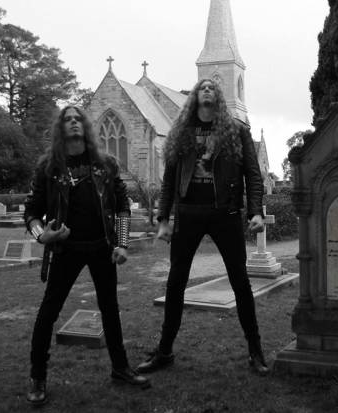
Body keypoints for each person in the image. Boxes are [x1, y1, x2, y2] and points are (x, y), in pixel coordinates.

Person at [136, 78, 269, 376]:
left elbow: (253, 174)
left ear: (217, 96)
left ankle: (255, 350)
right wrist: (163, 219)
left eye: (211, 87)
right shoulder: (182, 131)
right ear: (195, 96)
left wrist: (256, 212)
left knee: (240, 282)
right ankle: (165, 351)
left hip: (225, 213)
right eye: (202, 87)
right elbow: (169, 180)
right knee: (175, 283)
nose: (207, 89)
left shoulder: (236, 130)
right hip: (189, 213)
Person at [24, 106, 149, 406]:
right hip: (66, 249)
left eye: (78, 118)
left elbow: (122, 205)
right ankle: (37, 376)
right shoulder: (49, 167)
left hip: (101, 247)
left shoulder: (105, 164)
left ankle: (120, 368)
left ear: (86, 126)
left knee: (110, 308)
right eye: (67, 119)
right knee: (48, 312)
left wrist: (122, 244)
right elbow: (31, 213)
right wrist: (42, 235)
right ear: (61, 128)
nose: (73, 122)